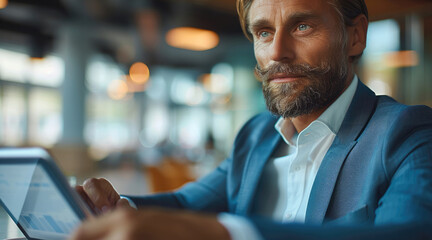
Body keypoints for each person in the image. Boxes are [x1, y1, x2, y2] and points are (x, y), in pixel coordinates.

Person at [71, 0, 432, 239]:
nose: (276, 52)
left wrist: (226, 234)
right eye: (263, 33)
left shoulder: (408, 134)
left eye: (302, 27)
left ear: (355, 37)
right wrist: (111, 207)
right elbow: (184, 204)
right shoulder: (255, 136)